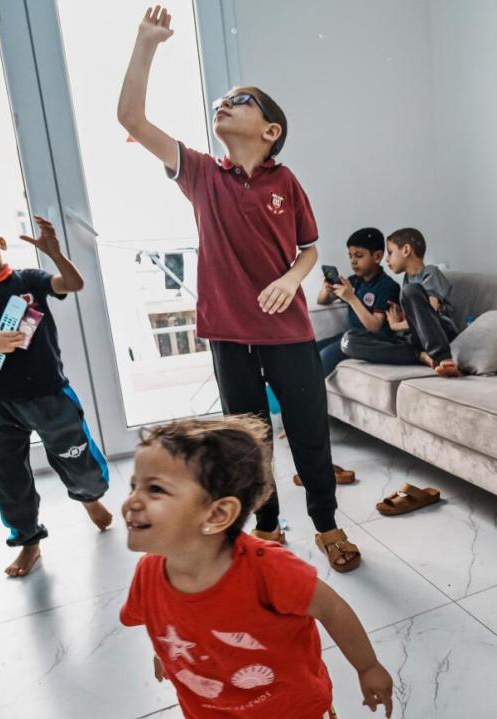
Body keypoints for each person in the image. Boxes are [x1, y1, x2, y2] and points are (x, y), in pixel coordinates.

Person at [118, 5, 361, 571]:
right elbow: (132, 119)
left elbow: (309, 250)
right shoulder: (202, 173)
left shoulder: (286, 182)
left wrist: (290, 279)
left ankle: (326, 527)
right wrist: (146, 44)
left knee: (309, 436)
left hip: (288, 333)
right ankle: (270, 529)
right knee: (252, 444)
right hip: (228, 334)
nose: (224, 103)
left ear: (270, 131)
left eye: (240, 99)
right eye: (220, 100)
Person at [119, 415, 393, 719]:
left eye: (154, 489)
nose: (132, 501)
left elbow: (332, 609)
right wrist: (168, 651)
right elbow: (154, 619)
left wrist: (368, 666)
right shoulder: (147, 575)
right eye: (134, 486)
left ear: (217, 514)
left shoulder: (270, 570)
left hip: (297, 713)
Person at [0, 205, 112, 577]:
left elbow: (72, 285)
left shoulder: (29, 280)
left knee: (77, 457)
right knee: (9, 478)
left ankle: (89, 498)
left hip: (49, 394)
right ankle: (28, 541)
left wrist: (56, 255)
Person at [340, 227, 460, 377]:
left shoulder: (430, 273)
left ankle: (443, 359)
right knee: (349, 341)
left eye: (390, 252)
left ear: (406, 250)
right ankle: (420, 356)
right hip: (416, 339)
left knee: (411, 291)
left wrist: (396, 325)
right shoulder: (407, 280)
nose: (386, 259)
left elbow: (431, 313)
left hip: (440, 332)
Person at [315, 227, 400, 377]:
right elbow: (322, 301)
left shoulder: (388, 287)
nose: (353, 261)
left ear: (377, 256)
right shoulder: (354, 281)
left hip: (373, 341)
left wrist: (351, 298)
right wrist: (326, 290)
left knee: (325, 356)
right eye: (350, 256)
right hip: (353, 335)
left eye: (359, 256)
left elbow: (375, 326)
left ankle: (311, 397)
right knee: (312, 349)